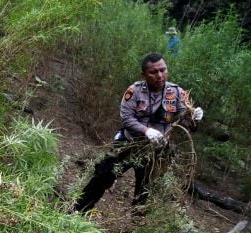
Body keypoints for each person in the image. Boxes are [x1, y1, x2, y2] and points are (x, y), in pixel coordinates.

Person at [74, 53, 203, 213]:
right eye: (153, 72)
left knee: (146, 191)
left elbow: (186, 123)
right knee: (103, 175)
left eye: (163, 70)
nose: (160, 75)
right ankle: (77, 212)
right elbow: (126, 119)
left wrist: (194, 117)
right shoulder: (134, 91)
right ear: (144, 74)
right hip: (129, 144)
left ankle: (137, 229)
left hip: (156, 151)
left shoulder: (177, 93)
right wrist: (146, 130)